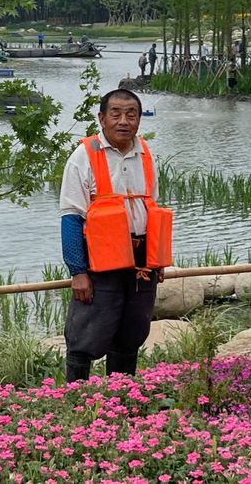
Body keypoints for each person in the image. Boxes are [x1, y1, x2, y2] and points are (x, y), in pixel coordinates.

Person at [59, 89, 173, 383]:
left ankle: (120, 399)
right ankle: (77, 400)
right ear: (101, 118)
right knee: (87, 332)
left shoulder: (145, 154)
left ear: (138, 119)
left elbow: (151, 208)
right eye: (116, 114)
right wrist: (77, 271)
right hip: (100, 258)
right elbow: (71, 216)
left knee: (131, 331)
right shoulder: (83, 156)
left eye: (131, 114)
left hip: (141, 261)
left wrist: (157, 260)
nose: (124, 121)